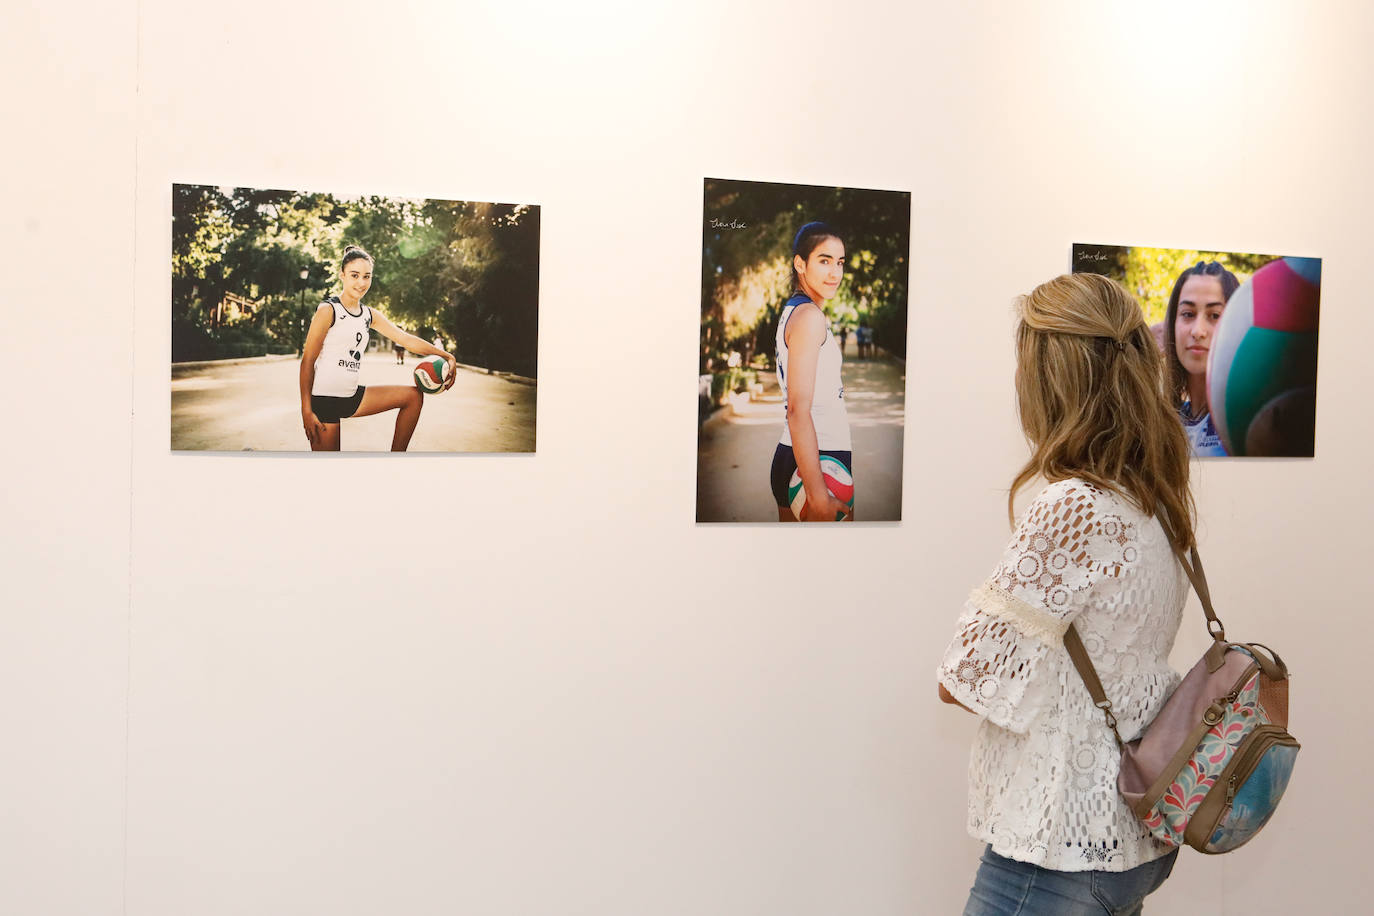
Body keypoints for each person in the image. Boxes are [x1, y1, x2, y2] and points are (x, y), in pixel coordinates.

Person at [937, 273, 1196, 914]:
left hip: (1057, 852)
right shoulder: (1156, 496)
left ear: (1050, 379)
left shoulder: (1074, 507)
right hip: (1129, 837)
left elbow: (964, 681)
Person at [299, 245, 456, 451]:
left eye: (367, 276)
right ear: (342, 275)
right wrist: (306, 411)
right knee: (329, 476)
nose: (361, 282)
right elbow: (308, 361)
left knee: (413, 397)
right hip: (325, 401)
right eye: (354, 275)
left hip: (352, 396)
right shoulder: (328, 310)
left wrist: (446, 355)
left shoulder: (369, 314)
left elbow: (405, 338)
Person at [769, 222, 853, 522]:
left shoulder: (796, 310)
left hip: (801, 457)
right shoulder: (809, 317)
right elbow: (797, 410)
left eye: (840, 262)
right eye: (824, 261)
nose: (835, 273)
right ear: (800, 264)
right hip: (817, 463)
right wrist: (818, 497)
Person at [1163, 261, 1239, 457]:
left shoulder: (1245, 423)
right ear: (1173, 323)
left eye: (1214, 316)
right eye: (1188, 314)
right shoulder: (1159, 422)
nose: (1198, 331)